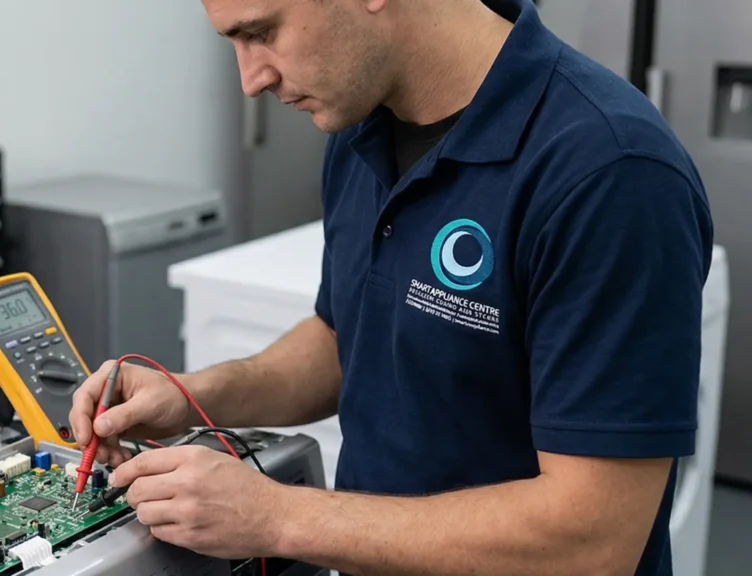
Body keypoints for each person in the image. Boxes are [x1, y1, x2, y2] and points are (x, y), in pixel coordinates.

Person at [69, 0, 714, 574]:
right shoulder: (359, 126)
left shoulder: (611, 173)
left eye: (261, 32)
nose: (250, 79)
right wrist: (188, 396)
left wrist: (277, 517)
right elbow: (346, 340)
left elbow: (594, 542)